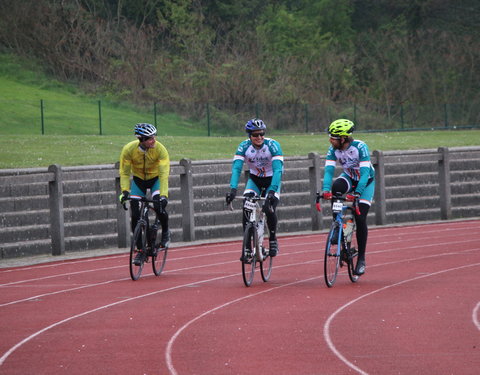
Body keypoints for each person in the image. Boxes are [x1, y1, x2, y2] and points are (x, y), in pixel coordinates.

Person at [320, 119, 375, 276]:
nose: (330, 140)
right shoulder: (333, 149)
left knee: (360, 217)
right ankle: (337, 225)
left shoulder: (360, 147)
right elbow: (329, 171)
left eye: (333, 138)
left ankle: (362, 259)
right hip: (349, 178)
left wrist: (358, 193)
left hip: (365, 182)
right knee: (336, 188)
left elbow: (365, 174)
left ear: (343, 138)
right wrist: (325, 190)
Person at [225, 118, 284, 260]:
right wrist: (233, 189)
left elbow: (278, 171)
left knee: (269, 208)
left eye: (261, 134)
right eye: (255, 135)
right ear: (249, 136)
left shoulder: (273, 146)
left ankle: (273, 239)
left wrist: (272, 191)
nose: (259, 137)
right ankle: (246, 248)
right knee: (246, 206)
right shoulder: (244, 147)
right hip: (255, 180)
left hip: (272, 180)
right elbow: (237, 168)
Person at [119, 123, 170, 265]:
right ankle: (141, 250)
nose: (153, 140)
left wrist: (164, 195)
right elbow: (124, 172)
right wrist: (124, 191)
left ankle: (165, 232)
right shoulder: (129, 150)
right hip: (139, 181)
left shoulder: (160, 149)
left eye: (154, 136)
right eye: (149, 138)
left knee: (159, 206)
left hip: (156, 180)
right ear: (141, 139)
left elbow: (164, 174)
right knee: (136, 215)